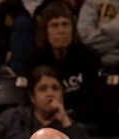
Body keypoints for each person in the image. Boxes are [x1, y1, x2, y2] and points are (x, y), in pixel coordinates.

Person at [28, 1, 106, 129]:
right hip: (45, 122)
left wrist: (67, 116)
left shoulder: (89, 57)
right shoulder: (36, 60)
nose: (61, 30)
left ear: (73, 28)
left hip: (83, 121)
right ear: (45, 31)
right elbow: (31, 101)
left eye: (65, 24)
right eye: (55, 25)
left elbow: (97, 103)